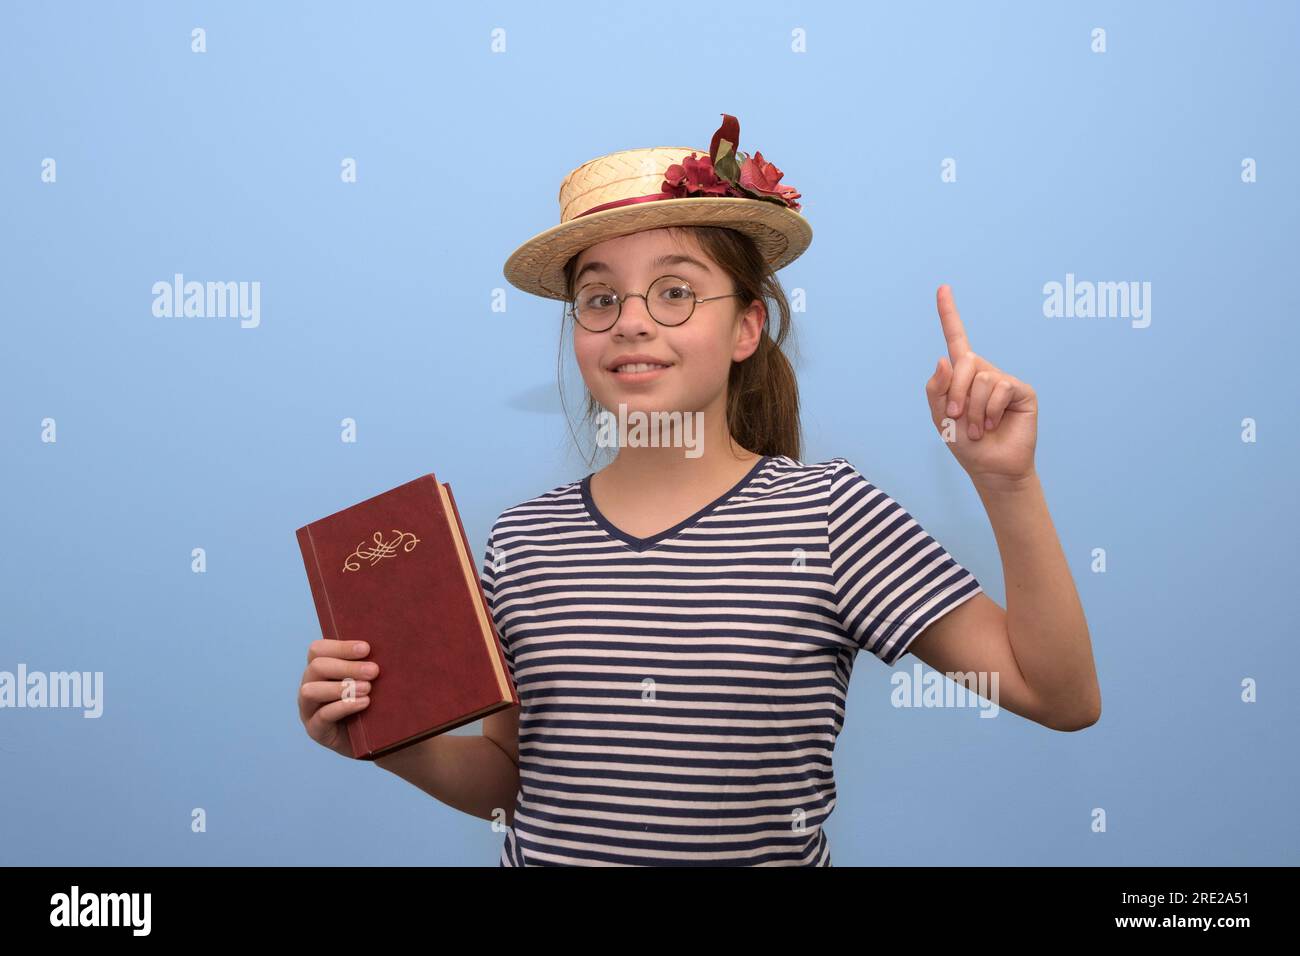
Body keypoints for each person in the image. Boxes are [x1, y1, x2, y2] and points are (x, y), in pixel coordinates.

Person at [298, 113, 1101, 866]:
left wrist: (1008, 483)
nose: (632, 321)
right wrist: (393, 739)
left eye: (675, 290)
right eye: (600, 297)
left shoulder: (828, 517)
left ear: (747, 327)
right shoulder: (521, 541)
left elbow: (1057, 694)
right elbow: (515, 784)